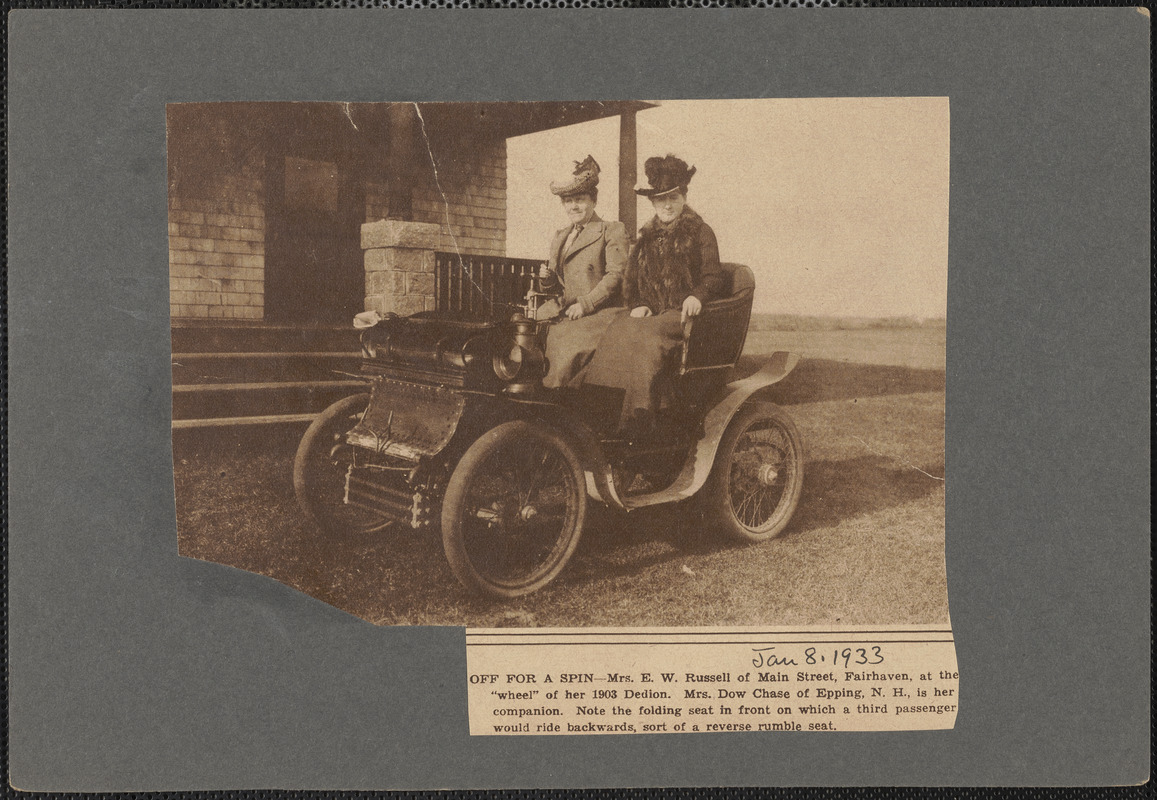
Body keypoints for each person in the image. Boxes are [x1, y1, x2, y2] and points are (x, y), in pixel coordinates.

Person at [583, 154, 725, 435]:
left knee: (649, 338)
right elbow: (633, 280)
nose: (667, 205)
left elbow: (713, 277)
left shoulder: (701, 232)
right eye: (661, 200)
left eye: (673, 198)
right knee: (618, 330)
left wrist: (696, 296)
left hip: (682, 314)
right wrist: (640, 303)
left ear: (684, 196)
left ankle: (637, 417)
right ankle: (598, 413)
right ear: (653, 202)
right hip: (654, 312)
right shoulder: (647, 236)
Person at [535, 155, 629, 389]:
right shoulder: (561, 236)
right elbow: (558, 286)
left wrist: (586, 304)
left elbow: (616, 275)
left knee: (564, 345)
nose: (573, 206)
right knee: (524, 334)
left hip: (601, 311)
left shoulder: (611, 230)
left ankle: (555, 399)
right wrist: (546, 281)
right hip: (565, 308)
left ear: (594, 201)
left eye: (580, 199)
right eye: (568, 201)